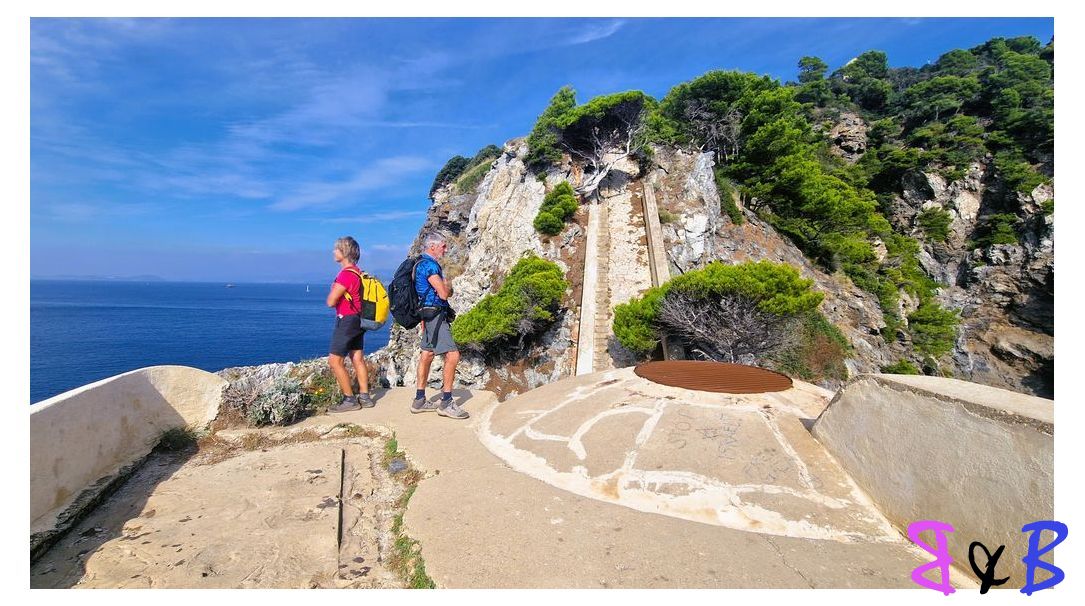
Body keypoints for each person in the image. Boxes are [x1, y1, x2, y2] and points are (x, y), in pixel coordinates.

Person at [411, 232, 468, 419]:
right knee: (453, 355)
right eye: (443, 246)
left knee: (426, 354)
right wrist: (447, 286)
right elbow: (443, 294)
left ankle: (419, 400)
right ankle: (446, 402)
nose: (446, 249)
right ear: (432, 246)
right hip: (435, 314)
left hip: (426, 315)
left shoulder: (419, 263)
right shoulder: (430, 265)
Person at [326, 236, 374, 412]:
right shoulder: (358, 272)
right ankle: (365, 397)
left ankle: (349, 400)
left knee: (334, 361)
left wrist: (333, 289)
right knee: (357, 358)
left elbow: (331, 302)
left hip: (346, 320)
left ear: (344, 252)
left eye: (336, 249)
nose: (333, 252)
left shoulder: (346, 274)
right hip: (359, 320)